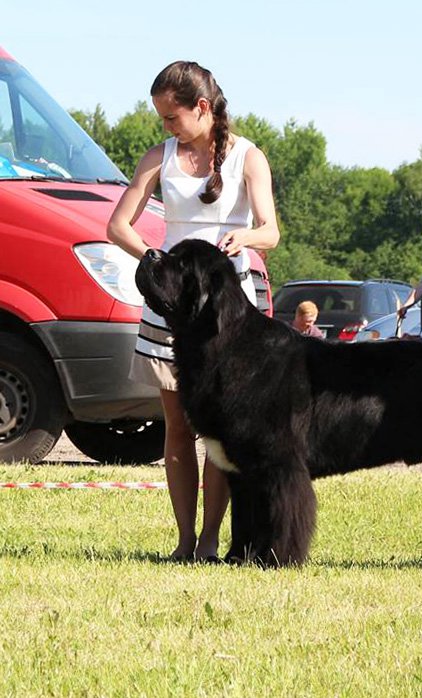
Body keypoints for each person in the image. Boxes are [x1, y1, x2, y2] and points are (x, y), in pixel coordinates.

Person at [107, 60, 280, 563]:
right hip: (171, 313)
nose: (166, 127)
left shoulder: (249, 157)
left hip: (231, 314)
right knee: (178, 427)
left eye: (171, 117)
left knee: (223, 430)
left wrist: (243, 237)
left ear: (202, 108)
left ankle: (212, 539)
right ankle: (186, 540)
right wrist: (155, 262)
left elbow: (270, 231)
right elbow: (117, 225)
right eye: (162, 119)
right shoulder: (157, 158)